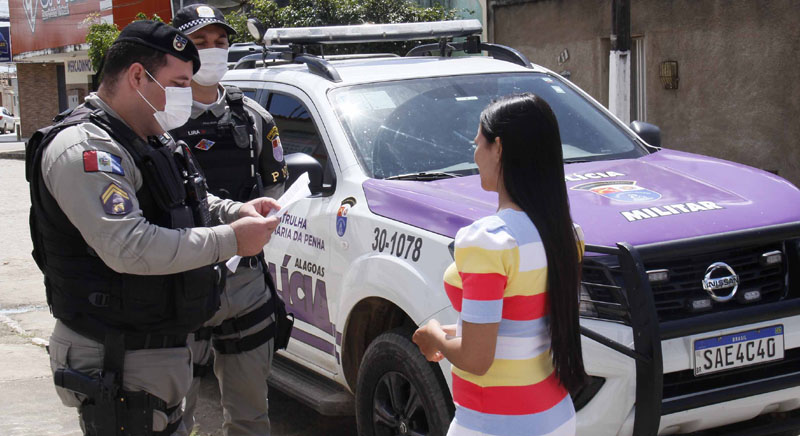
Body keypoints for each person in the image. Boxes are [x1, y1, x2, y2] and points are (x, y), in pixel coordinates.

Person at [25, 20, 280, 436]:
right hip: (117, 356)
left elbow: (189, 199)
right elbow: (129, 245)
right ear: (137, 77)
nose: (185, 95)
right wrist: (232, 240)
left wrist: (235, 211)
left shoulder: (148, 137)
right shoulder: (86, 148)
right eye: (178, 84)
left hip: (154, 345)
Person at [412, 93, 587, 436]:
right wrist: (455, 333)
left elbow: (476, 359)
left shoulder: (488, 240)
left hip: (493, 422)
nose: (475, 155)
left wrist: (434, 336)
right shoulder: (567, 234)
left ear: (499, 148)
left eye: (477, 143)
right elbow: (523, 325)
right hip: (556, 416)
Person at [169, 5, 288, 436]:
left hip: (244, 284)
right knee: (171, 415)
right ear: (177, 50)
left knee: (251, 415)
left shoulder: (253, 117)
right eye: (200, 42)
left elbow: (274, 187)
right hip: (179, 279)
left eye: (220, 42)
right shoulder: (157, 118)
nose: (212, 51)